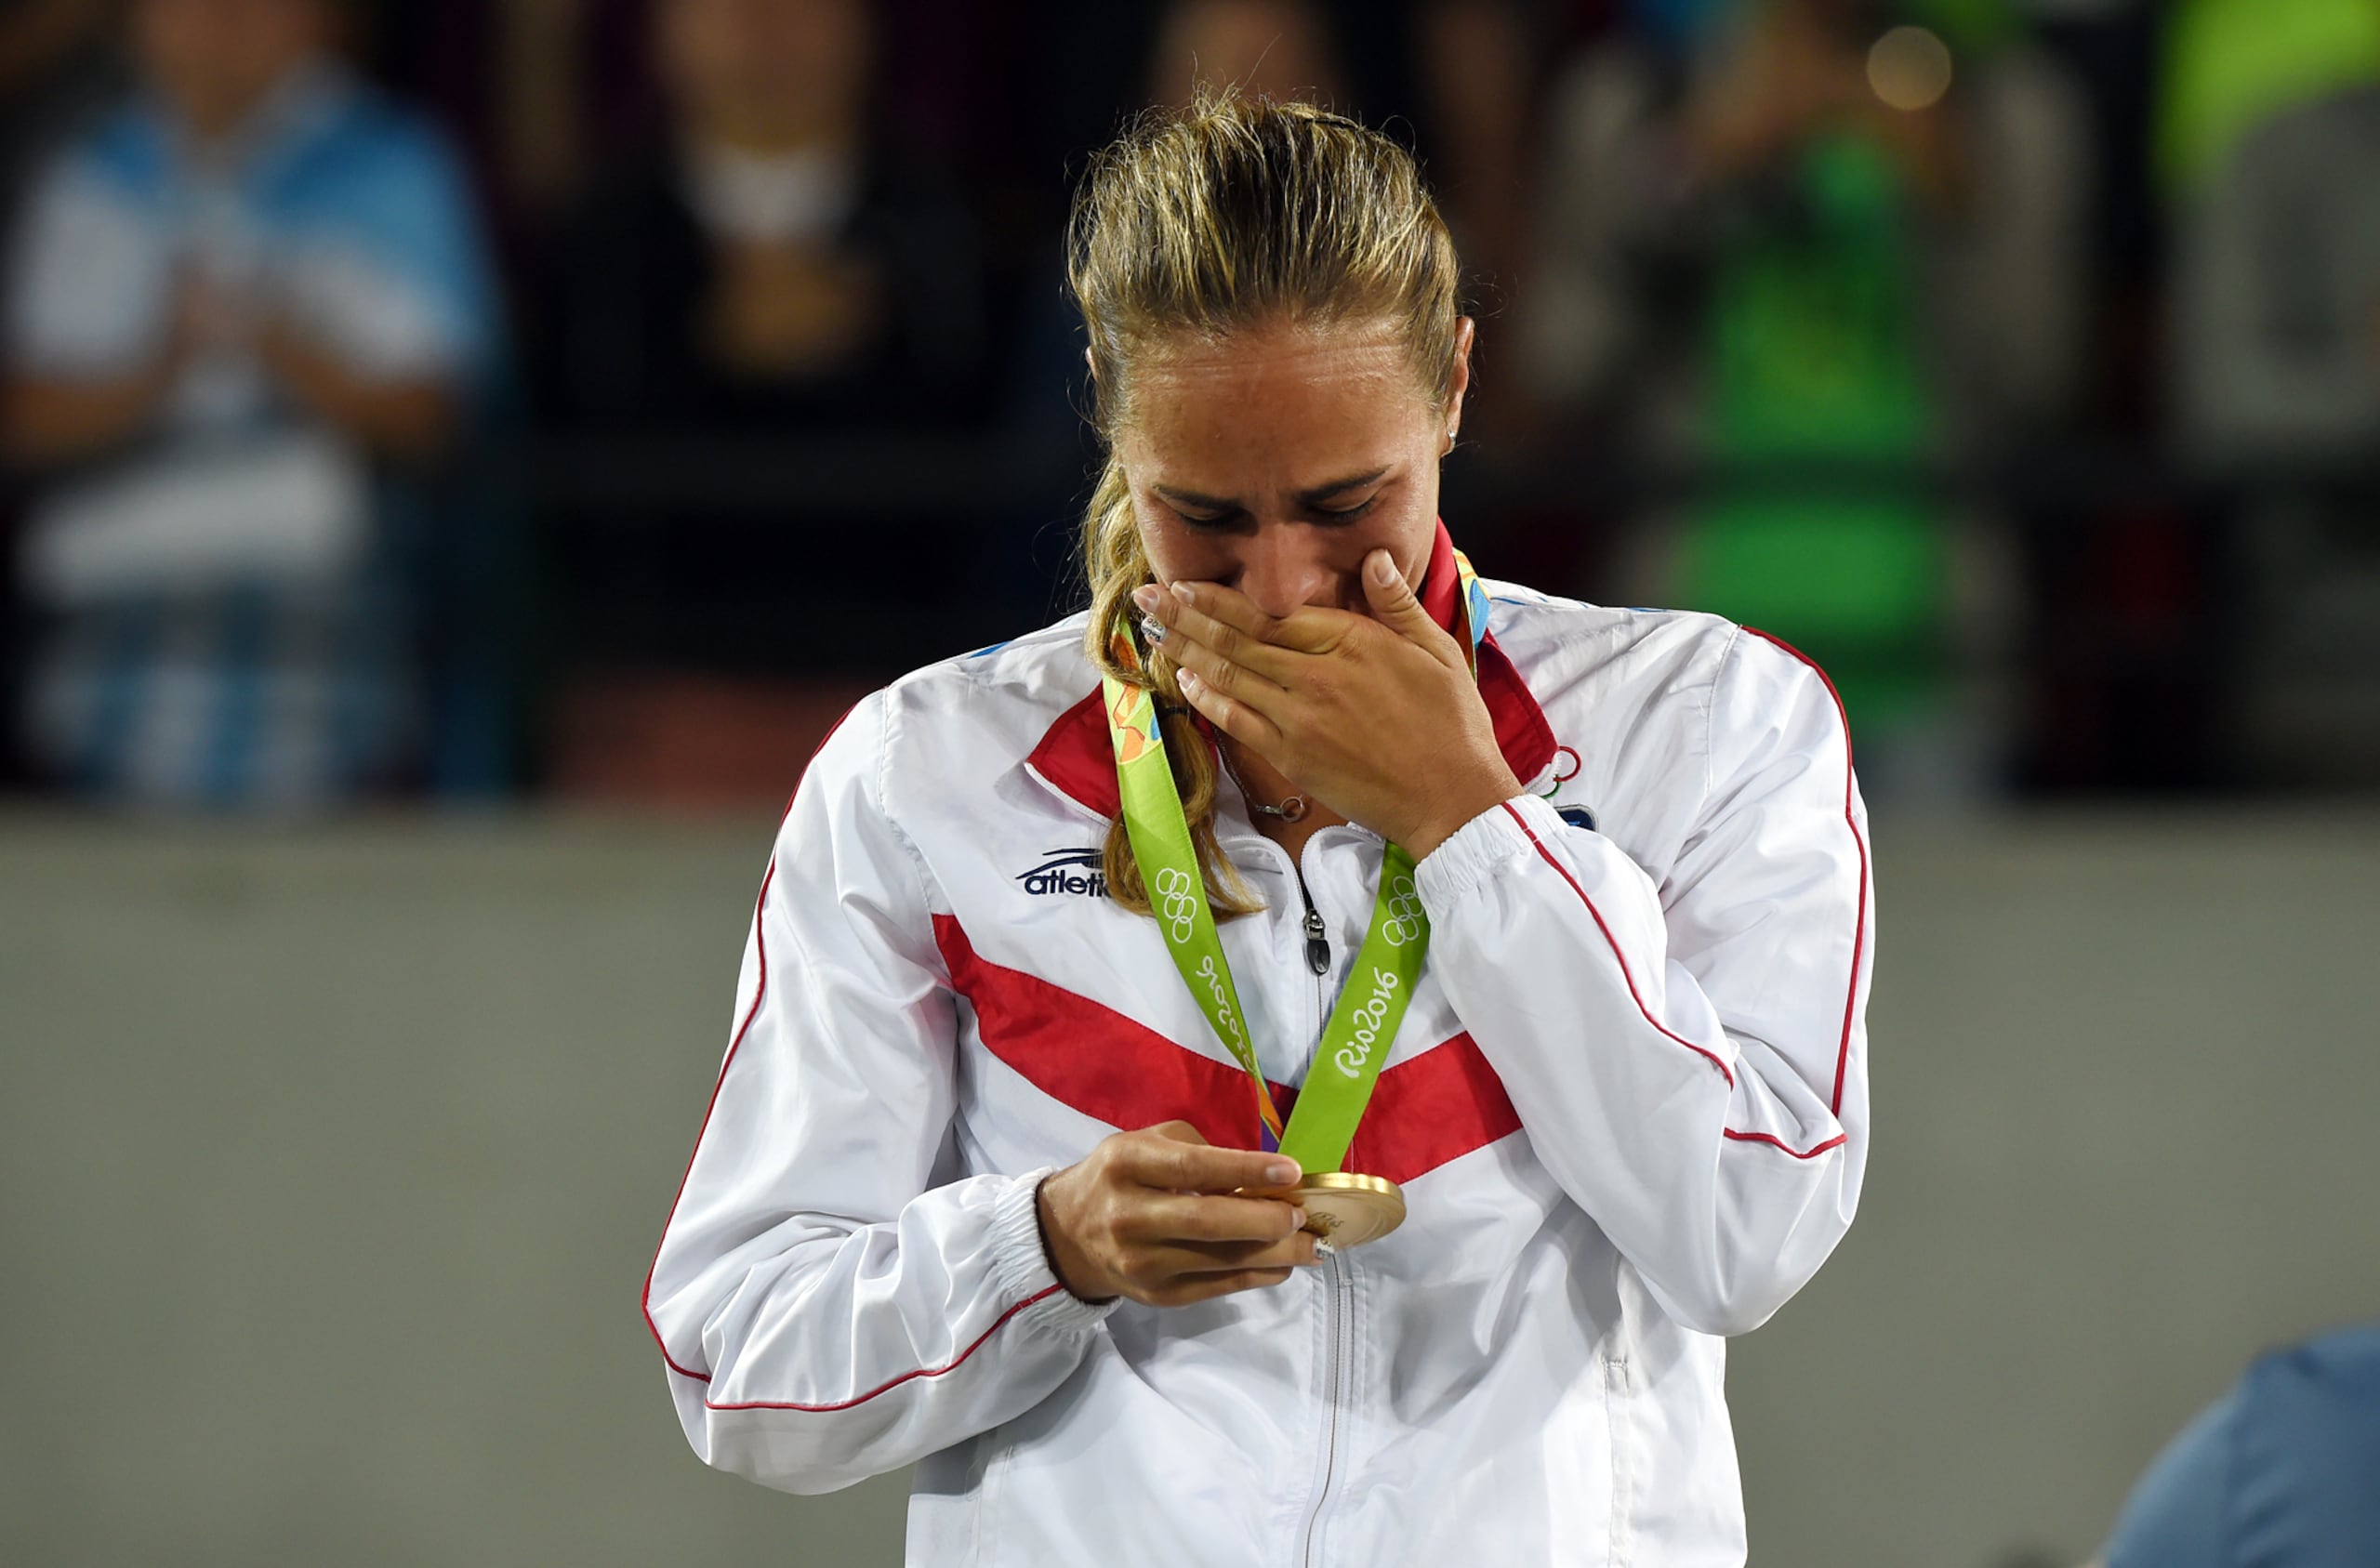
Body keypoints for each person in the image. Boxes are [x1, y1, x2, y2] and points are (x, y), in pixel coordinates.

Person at [643, 93, 1873, 1562]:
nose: (1283, 584)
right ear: (1105, 392)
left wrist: (1471, 821)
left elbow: (1743, 1228)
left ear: (1457, 387)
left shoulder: (1707, 720)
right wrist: (1041, 1243)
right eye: (1206, 514)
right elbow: (741, 1356)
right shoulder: (927, 775)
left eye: (1351, 503)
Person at [3, 0, 503, 802]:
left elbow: (440, 417)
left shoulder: (394, 168)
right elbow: (23, 416)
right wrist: (158, 370)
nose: (221, 19)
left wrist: (279, 344)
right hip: (99, 714)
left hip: (336, 711)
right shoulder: (89, 174)